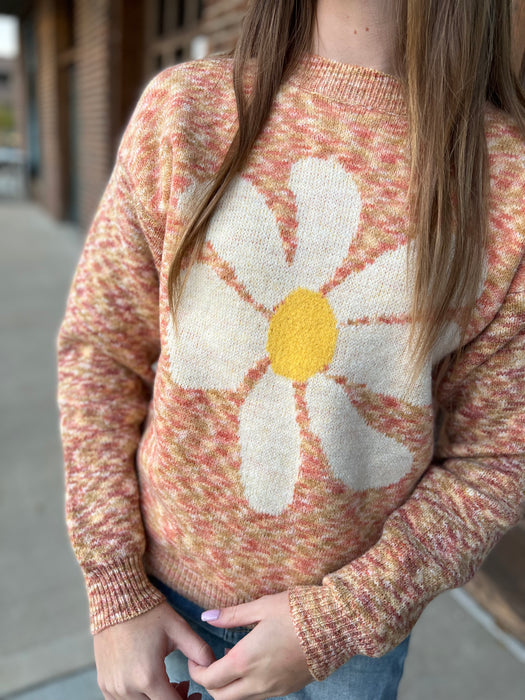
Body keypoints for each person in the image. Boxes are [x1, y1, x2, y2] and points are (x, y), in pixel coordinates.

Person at [56, 1, 525, 699]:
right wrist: (115, 586)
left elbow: (496, 455)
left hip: (345, 649)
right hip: (159, 614)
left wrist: (341, 617)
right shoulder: (187, 112)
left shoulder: (505, 180)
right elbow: (100, 353)